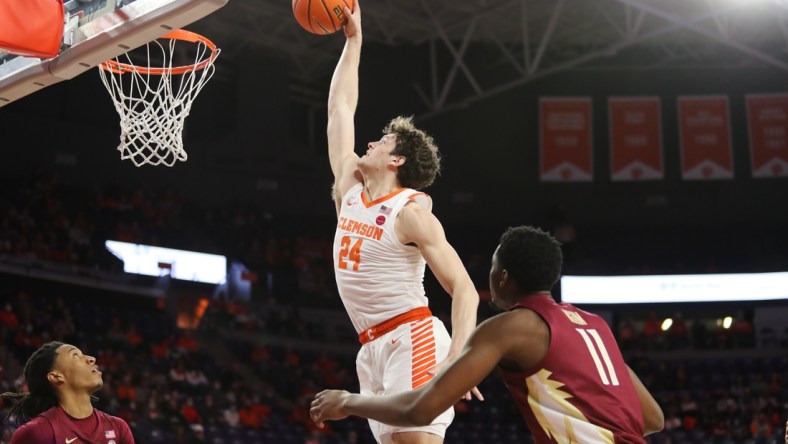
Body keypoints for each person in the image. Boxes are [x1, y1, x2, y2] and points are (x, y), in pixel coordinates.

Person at [311, 226, 665, 443]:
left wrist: (346, 402)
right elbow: (652, 420)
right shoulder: (595, 326)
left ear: (504, 277)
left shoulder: (510, 327)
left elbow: (421, 409)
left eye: (493, 266)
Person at [324, 2, 481, 443]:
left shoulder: (410, 213)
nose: (369, 142)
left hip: (411, 336)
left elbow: (464, 288)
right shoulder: (348, 191)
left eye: (382, 141)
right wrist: (354, 42)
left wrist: (458, 360)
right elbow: (340, 108)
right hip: (369, 348)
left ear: (396, 160)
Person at [0, 341, 134, 443]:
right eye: (75, 355)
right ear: (56, 376)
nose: (91, 358)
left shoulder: (118, 427)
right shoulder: (37, 433)